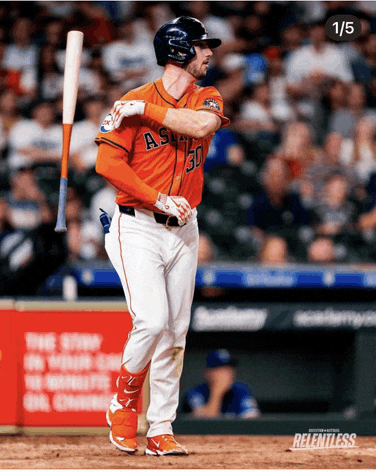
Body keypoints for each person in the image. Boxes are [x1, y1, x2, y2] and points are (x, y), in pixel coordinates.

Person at [95, 16, 229, 456]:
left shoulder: (205, 96)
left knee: (175, 331)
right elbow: (108, 166)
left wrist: (145, 112)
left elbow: (202, 127)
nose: (209, 52)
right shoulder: (131, 100)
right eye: (202, 46)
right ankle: (124, 400)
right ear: (178, 51)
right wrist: (157, 198)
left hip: (184, 229)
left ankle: (161, 428)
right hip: (137, 225)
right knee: (152, 320)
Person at [182, 349, 260, 419]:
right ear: (208, 373)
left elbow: (253, 422)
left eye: (229, 368)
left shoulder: (241, 390)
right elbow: (206, 424)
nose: (228, 373)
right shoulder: (196, 393)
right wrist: (217, 393)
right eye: (221, 369)